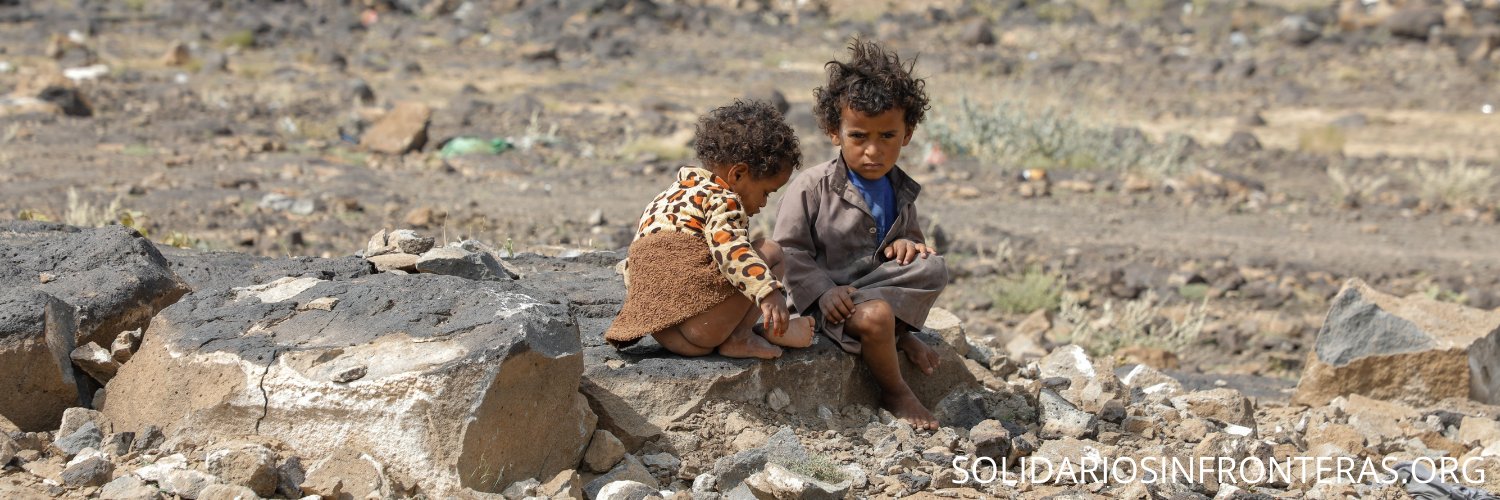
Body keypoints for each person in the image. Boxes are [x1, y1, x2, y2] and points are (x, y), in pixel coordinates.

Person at [773, 39, 948, 429]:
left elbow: (912, 240)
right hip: (826, 303)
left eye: (887, 136)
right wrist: (822, 290)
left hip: (870, 291)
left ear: (907, 133)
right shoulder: (812, 186)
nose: (873, 151)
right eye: (859, 137)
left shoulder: (899, 187)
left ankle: (895, 335)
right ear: (834, 132)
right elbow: (788, 250)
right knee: (877, 315)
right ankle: (896, 390)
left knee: (933, 267)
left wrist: (906, 244)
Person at [605, 99, 816, 359]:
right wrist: (767, 291)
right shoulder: (722, 198)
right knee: (769, 250)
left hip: (662, 328)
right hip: (700, 328)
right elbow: (730, 250)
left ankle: (751, 332)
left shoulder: (669, 195)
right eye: (766, 192)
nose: (763, 204)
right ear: (738, 174)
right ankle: (740, 338)